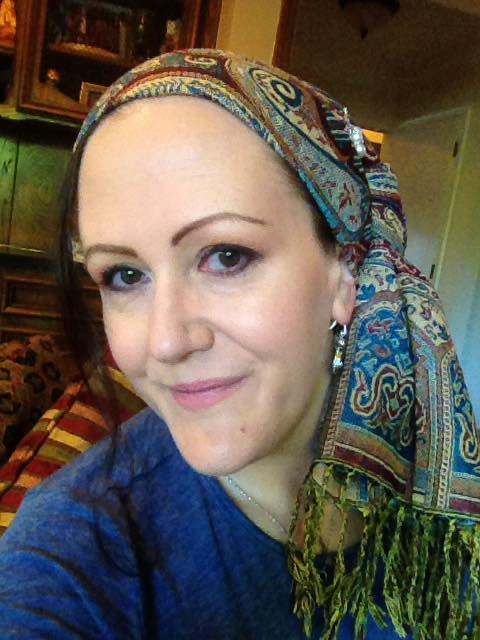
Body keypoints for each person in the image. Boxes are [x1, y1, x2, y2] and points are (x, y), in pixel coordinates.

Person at [0, 49, 478, 640]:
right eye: (124, 275)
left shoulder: (441, 475)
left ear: (347, 271)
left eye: (226, 256)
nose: (166, 341)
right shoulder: (69, 553)